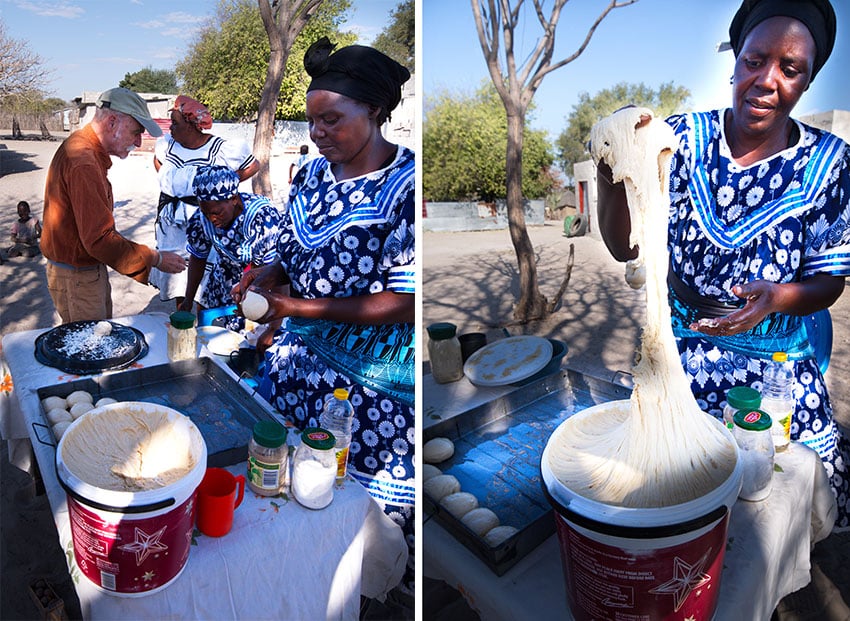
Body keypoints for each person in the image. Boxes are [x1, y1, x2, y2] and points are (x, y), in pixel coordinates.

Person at [596, 0, 850, 529]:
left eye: (790, 68)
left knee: (778, 506)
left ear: (807, 81)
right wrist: (609, 170)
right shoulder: (676, 141)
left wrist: (779, 298)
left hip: (778, 368)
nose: (767, 80)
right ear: (735, 61)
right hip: (679, 356)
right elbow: (625, 248)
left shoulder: (831, 163)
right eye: (755, 60)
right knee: (671, 490)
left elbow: (828, 282)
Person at [231, 37, 415, 593]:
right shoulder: (310, 176)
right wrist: (266, 280)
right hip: (297, 367)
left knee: (351, 527)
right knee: (283, 500)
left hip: (368, 393)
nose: (319, 134)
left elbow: (403, 301)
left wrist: (293, 306)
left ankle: (349, 596)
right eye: (312, 122)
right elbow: (290, 251)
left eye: (332, 120)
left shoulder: (406, 185)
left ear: (375, 112)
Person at [40, 87, 186, 324]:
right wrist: (155, 259)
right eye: (136, 132)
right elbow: (99, 240)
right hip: (78, 276)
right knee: (92, 350)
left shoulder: (84, 150)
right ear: (112, 122)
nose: (138, 142)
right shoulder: (83, 161)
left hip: (80, 271)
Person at [151, 95, 260, 308]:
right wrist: (174, 189)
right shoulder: (167, 145)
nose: (170, 128)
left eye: (176, 123)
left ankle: (202, 322)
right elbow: (158, 163)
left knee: (204, 272)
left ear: (192, 125)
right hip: (172, 222)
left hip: (205, 218)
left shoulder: (221, 149)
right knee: (178, 274)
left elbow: (253, 165)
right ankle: (182, 313)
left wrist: (222, 186)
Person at [179, 165, 282, 316]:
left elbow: (265, 267)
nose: (211, 218)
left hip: (262, 281)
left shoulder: (262, 217)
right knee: (210, 325)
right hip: (223, 278)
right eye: (205, 212)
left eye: (216, 213)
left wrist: (247, 298)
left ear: (233, 199)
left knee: (248, 332)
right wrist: (188, 300)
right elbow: (198, 258)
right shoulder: (202, 219)